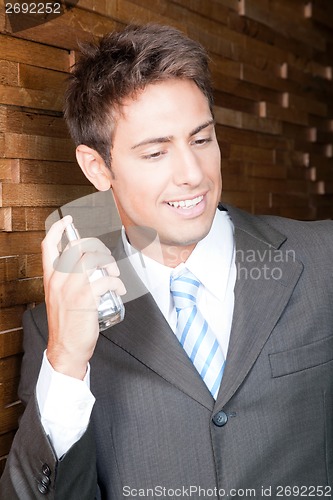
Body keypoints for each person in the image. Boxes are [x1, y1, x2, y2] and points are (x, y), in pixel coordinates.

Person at [1, 23, 332, 500]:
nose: (193, 175)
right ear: (98, 168)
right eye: (156, 152)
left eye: (201, 140)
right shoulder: (52, 335)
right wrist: (67, 362)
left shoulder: (324, 260)